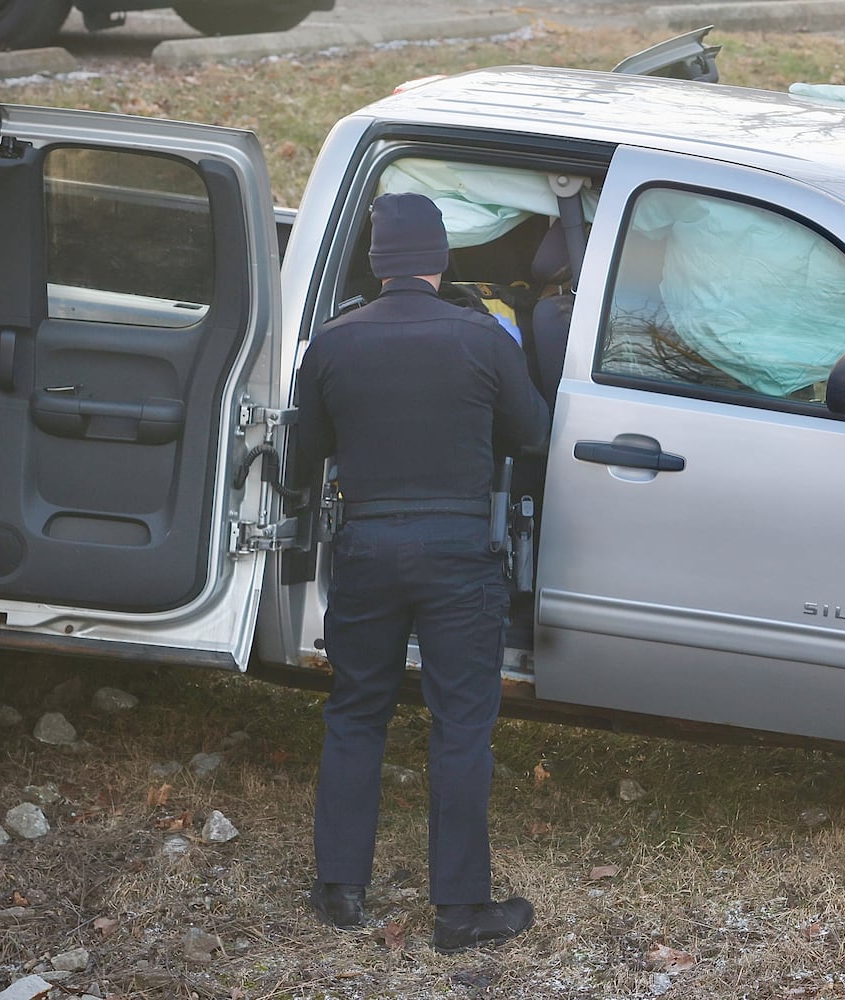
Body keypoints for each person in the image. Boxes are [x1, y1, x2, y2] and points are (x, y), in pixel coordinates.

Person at [292, 192, 550, 953]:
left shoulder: (333, 343)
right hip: (458, 550)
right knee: (460, 725)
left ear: (378, 265)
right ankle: (461, 910)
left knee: (356, 711)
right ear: (440, 259)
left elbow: (304, 451)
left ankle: (340, 887)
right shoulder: (480, 337)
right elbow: (532, 433)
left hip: (367, 546)